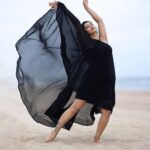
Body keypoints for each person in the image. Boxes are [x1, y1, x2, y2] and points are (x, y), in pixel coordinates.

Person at [44, 0, 116, 143]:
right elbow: (73, 23)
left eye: (90, 24)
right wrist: (60, 6)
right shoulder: (86, 44)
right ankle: (55, 130)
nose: (90, 26)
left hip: (107, 81)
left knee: (107, 111)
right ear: (85, 33)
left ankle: (96, 140)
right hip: (90, 79)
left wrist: (87, 7)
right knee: (75, 107)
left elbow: (100, 20)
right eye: (87, 27)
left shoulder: (104, 40)